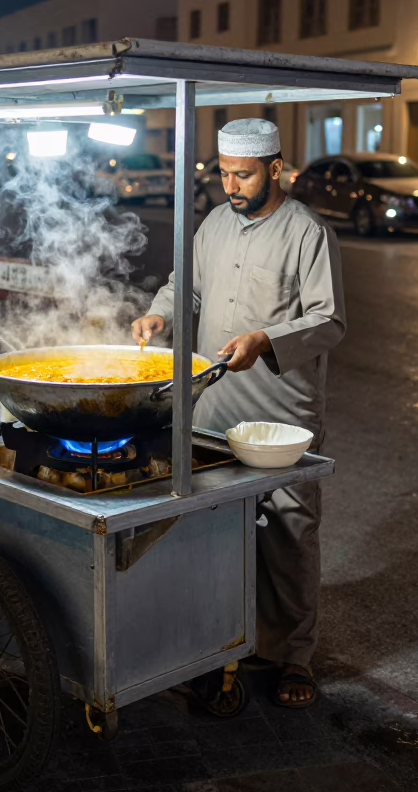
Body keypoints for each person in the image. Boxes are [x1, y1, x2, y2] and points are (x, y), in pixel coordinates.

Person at [131, 117, 345, 708]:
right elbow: (187, 288)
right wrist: (160, 314)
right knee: (215, 528)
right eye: (224, 172)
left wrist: (266, 340)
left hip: (280, 412)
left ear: (275, 169)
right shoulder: (216, 224)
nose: (230, 185)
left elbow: (329, 319)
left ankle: (294, 657)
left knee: (288, 534)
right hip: (214, 403)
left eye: (243, 175)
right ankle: (226, 638)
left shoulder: (307, 232)